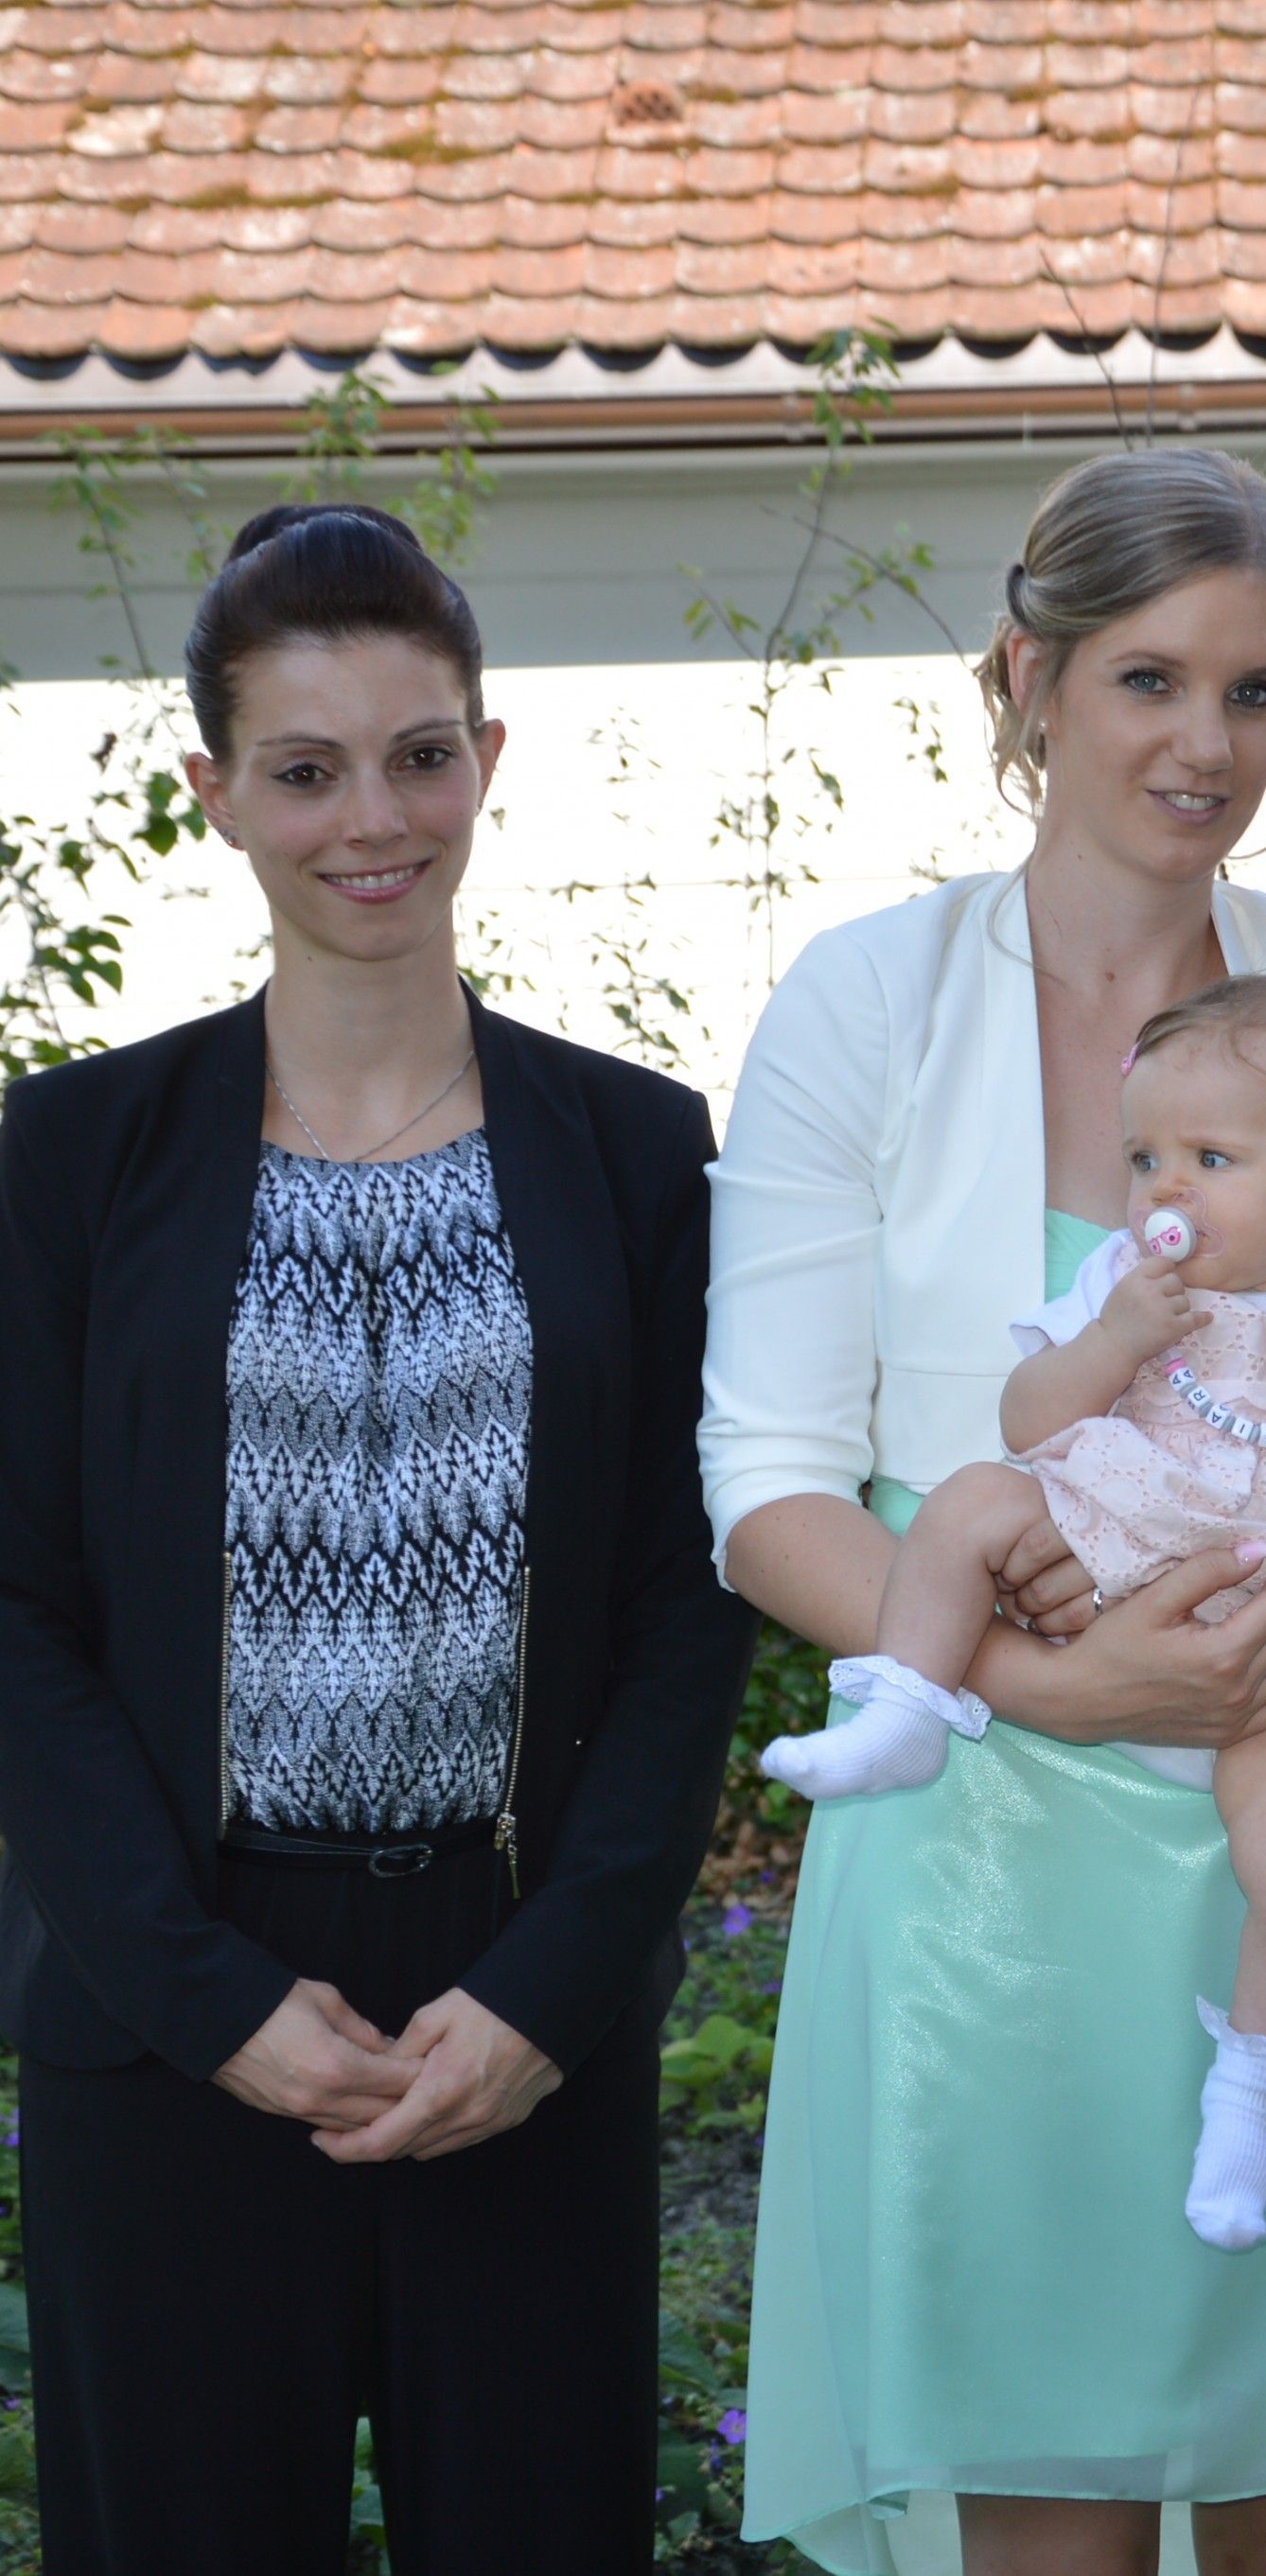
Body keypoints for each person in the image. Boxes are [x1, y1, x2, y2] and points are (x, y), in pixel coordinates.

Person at [712, 447, 1266, 2576]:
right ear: (1025, 679)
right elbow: (761, 1485)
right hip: (979, 1858)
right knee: (1052, 2518)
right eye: (1146, 680)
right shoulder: (863, 999)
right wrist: (1052, 1682)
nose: (1206, 746)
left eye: (1258, 693)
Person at [0, 501, 752, 2575]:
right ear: (215, 792)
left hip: (514, 2013)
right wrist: (201, 1992)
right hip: (171, 2009)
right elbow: (18, 1612)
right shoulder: (74, 1153)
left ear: (489, 760)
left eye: (420, 754)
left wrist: (556, 1987)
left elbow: (684, 1606)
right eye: (307, 768)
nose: (372, 818)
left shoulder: (633, 1146)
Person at [760, 973, 1266, 2252]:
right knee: (964, 1506)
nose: (1164, 1191)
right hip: (1116, 1523)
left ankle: (1251, 2091)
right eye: (1146, 1158)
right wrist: (1113, 1341)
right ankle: (907, 1702)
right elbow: (1032, 1420)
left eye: (1211, 1159)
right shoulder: (1127, 1281)